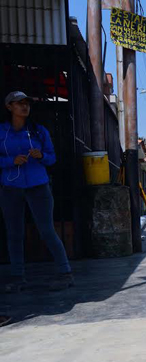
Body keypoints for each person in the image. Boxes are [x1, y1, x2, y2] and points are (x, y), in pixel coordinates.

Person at [0, 91, 73, 292]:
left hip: (38, 185)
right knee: (14, 233)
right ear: (9, 107)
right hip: (10, 186)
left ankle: (65, 272)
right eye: (19, 103)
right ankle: (17, 277)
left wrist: (41, 156)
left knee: (47, 230)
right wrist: (10, 161)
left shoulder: (39, 131)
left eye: (27, 103)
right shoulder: (2, 132)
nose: (24, 107)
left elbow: (52, 158)